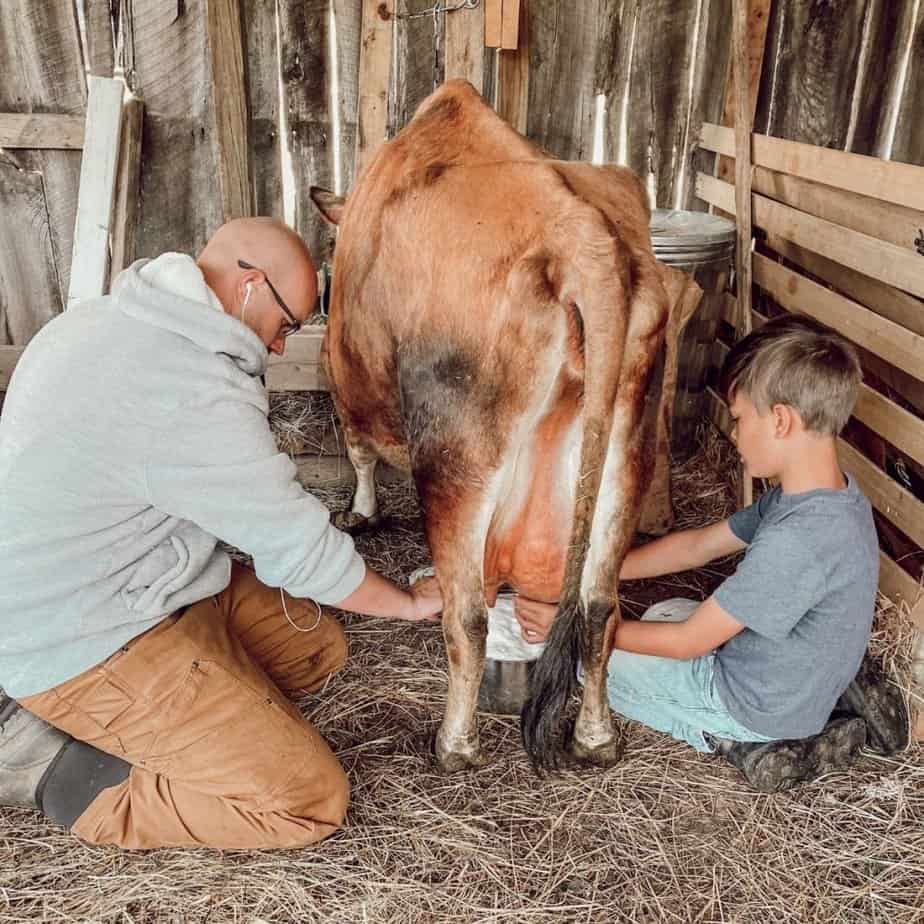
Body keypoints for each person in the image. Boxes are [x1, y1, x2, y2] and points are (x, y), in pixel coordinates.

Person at [0, 218, 442, 849]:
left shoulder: (105, 320)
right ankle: (52, 770)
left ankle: (197, 707)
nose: (284, 347)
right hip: (83, 634)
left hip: (136, 577)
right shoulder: (190, 388)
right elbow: (297, 548)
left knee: (315, 649)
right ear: (251, 287)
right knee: (306, 801)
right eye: (288, 324)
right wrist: (408, 603)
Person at [515, 314, 909, 791]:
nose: (734, 434)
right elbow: (698, 546)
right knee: (664, 612)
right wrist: (593, 576)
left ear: (781, 420)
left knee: (584, 664)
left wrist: (571, 629)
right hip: (788, 674)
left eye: (740, 419)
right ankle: (835, 686)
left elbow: (688, 643)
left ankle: (739, 741)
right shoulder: (826, 496)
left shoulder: (797, 542)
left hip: (752, 704)